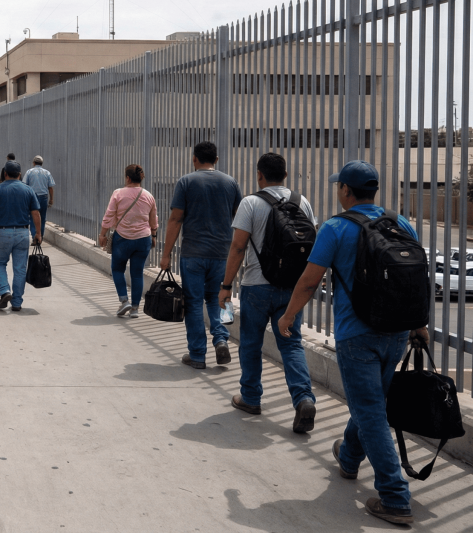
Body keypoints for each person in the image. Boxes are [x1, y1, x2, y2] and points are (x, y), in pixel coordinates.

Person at [277, 160, 428, 526]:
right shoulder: (400, 223)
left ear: (345, 190)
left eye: (338, 186)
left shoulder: (335, 227)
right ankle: (347, 458)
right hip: (395, 334)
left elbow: (310, 280)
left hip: (356, 335)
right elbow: (415, 279)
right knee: (370, 403)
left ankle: (394, 496)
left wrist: (288, 315)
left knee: (372, 411)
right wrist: (418, 325)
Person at [218, 153, 316, 431]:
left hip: (257, 287)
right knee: (292, 343)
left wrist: (226, 286)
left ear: (259, 174)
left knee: (251, 343)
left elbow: (238, 247)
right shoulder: (302, 202)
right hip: (291, 289)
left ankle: (250, 397)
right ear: (285, 174)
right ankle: (303, 398)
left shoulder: (250, 203)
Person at [159, 141, 242, 370]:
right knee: (222, 298)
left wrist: (166, 255)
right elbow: (241, 219)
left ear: (194, 158)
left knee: (194, 303)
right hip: (223, 254)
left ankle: (197, 354)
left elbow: (176, 219)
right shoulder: (230, 182)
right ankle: (221, 339)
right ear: (216, 160)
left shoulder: (186, 181)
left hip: (193, 253)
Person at [98, 164, 159, 318]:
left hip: (123, 238)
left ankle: (124, 301)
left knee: (118, 269)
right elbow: (153, 219)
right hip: (143, 239)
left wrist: (102, 235)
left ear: (128, 178)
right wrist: (153, 236)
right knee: (137, 273)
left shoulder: (118, 193)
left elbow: (109, 215)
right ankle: (135, 309)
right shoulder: (149, 195)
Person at [0, 161, 42, 312]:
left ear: (5, 173)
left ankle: (4, 291)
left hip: (3, 232)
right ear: (20, 174)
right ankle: (16, 302)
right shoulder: (28, 190)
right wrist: (38, 233)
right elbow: (36, 213)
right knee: (20, 268)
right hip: (23, 232)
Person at [22, 155, 56, 238]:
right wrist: (51, 199)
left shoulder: (29, 172)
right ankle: (40, 236)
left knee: (33, 217)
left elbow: (24, 186)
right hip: (44, 197)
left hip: (32, 197)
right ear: (42, 163)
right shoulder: (47, 172)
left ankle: (34, 236)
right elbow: (50, 187)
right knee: (42, 218)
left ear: (33, 163)